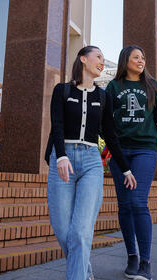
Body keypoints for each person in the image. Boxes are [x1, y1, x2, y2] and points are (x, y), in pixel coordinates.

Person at [45, 45, 137, 280]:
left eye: (104, 59)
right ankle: (84, 271)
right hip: (63, 159)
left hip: (90, 162)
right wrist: (62, 155)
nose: (102, 62)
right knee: (63, 229)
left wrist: (125, 168)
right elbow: (57, 125)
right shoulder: (62, 90)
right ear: (83, 59)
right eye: (98, 57)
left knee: (81, 232)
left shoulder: (103, 97)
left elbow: (110, 134)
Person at [105, 46, 157, 280]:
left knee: (138, 202)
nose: (141, 60)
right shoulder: (113, 87)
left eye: (143, 57)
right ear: (125, 60)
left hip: (144, 151)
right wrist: (109, 144)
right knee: (124, 205)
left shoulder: (154, 87)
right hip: (119, 153)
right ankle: (132, 255)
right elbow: (105, 121)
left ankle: (146, 262)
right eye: (136, 57)